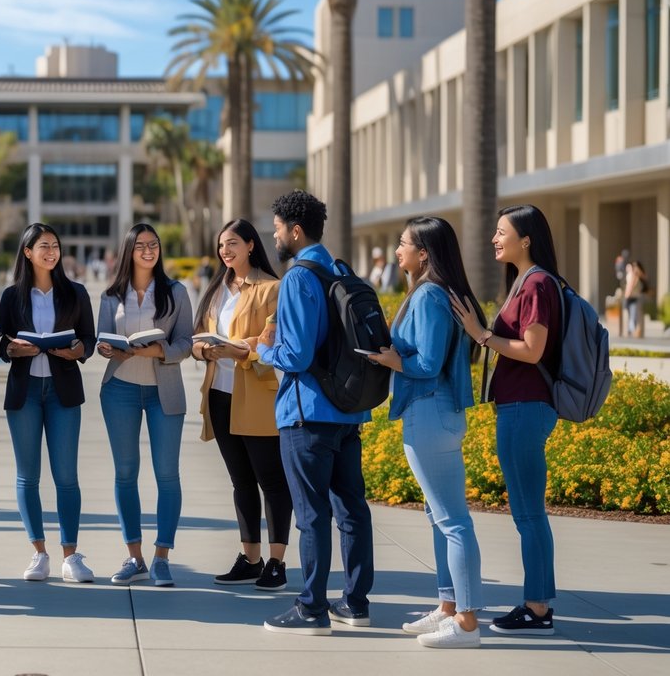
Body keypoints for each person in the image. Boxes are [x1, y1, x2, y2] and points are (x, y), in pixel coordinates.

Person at [257, 190, 374, 635]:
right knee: (352, 510)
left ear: (295, 230)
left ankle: (311, 609)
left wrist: (264, 350)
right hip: (348, 412)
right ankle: (356, 604)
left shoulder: (299, 277)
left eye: (277, 228)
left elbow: (298, 354)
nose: (275, 235)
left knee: (310, 516)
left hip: (306, 415)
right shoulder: (340, 270)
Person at [367, 217, 486, 648]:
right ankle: (449, 607)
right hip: (433, 412)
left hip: (430, 411)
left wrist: (390, 361)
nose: (397, 251)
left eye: (403, 244)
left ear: (424, 253)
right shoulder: (429, 292)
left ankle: (468, 624)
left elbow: (428, 363)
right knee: (440, 518)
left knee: (453, 521)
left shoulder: (431, 295)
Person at [452, 204, 562, 636]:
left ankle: (537, 609)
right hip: (521, 407)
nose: (495, 239)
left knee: (530, 514)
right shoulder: (526, 282)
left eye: (502, 232)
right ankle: (537, 605)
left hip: (526, 406)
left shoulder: (535, 284)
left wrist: (482, 336)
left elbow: (533, 350)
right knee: (528, 512)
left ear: (527, 238)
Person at [191, 219, 292, 591]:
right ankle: (251, 558)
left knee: (272, 482)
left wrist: (237, 349)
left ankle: (277, 563)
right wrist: (204, 349)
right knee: (241, 482)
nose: (225, 251)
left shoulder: (271, 288)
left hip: (257, 397)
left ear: (251, 245)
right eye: (221, 245)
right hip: (218, 395)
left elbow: (270, 342)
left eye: (232, 243)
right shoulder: (217, 288)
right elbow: (197, 337)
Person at [95, 223, 193, 587]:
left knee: (167, 474)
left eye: (153, 245)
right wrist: (107, 347)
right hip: (119, 388)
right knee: (125, 473)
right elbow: (100, 340)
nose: (148, 251)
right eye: (141, 246)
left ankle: (162, 557)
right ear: (129, 251)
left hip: (163, 392)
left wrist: (160, 350)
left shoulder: (176, 292)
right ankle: (134, 557)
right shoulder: (110, 295)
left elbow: (186, 342)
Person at [0, 223, 96, 583]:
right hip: (24, 393)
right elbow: (1, 344)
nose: (51, 251)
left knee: (66, 476)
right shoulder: (11, 296)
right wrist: (11, 349)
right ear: (27, 253)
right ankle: (39, 553)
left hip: (63, 392)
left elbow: (88, 336)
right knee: (28, 476)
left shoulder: (75, 293)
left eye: (55, 245)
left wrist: (77, 350)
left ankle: (71, 555)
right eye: (44, 246)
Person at [623, 260, 648, 338]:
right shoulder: (633, 275)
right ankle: (633, 331)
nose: (634, 268)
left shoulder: (639, 275)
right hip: (633, 297)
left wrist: (627, 293)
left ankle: (636, 332)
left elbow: (632, 286)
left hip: (638, 297)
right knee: (632, 315)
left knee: (636, 315)